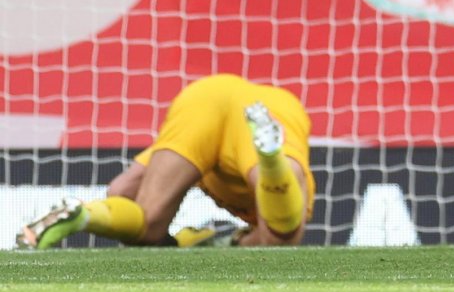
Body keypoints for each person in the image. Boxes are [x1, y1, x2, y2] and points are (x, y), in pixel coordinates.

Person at [16, 74, 314, 249]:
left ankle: (83, 213)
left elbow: (122, 190)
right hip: (272, 107)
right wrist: (228, 245)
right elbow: (270, 237)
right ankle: (271, 157)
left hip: (206, 96)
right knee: (281, 234)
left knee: (146, 222)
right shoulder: (271, 210)